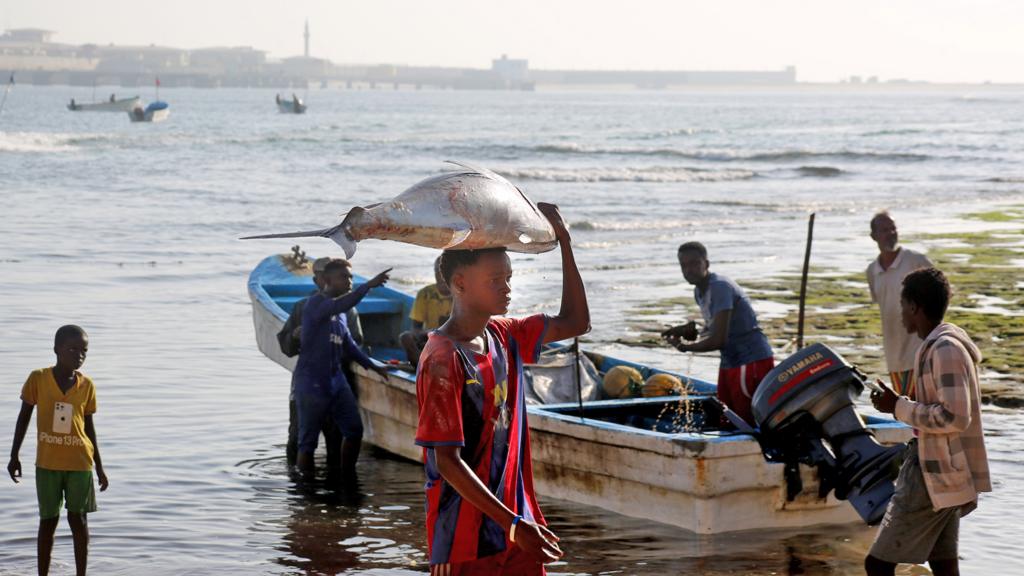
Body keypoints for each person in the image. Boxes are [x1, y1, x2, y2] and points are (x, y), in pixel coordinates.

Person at [415, 203, 588, 576]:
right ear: (459, 283)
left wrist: (565, 244)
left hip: (519, 523)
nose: (507, 288)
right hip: (465, 539)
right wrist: (512, 524)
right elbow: (447, 462)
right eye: (496, 279)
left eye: (508, 278)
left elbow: (576, 322)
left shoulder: (504, 333)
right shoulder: (442, 360)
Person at [867, 268, 991, 576]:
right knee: (943, 566)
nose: (900, 312)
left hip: (934, 475)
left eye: (902, 303)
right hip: (948, 472)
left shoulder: (945, 349)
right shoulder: (941, 344)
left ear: (914, 307)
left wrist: (898, 407)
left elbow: (956, 416)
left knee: (878, 565)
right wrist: (899, 405)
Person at [7, 325, 109, 576]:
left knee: (79, 521)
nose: (79, 356)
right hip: (47, 463)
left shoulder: (87, 386)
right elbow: (23, 418)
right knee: (47, 522)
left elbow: (89, 428)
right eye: (72, 349)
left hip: (79, 463)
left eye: (84, 350)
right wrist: (14, 455)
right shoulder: (38, 379)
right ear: (56, 350)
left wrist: (100, 466)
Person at [294, 260, 391, 477]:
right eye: (344, 277)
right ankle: (305, 493)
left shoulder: (342, 315)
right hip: (311, 383)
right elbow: (340, 304)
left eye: (351, 276)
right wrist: (368, 286)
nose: (350, 281)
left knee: (354, 431)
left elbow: (350, 346)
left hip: (336, 382)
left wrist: (374, 366)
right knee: (307, 443)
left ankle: (346, 477)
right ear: (327, 281)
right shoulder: (315, 304)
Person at [662, 241, 774, 426]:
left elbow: (718, 340)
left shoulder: (720, 287)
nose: (689, 269)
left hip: (749, 360)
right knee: (727, 418)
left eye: (694, 263)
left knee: (746, 421)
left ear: (706, 263)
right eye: (684, 265)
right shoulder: (699, 291)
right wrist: (688, 330)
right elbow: (714, 329)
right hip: (730, 361)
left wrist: (685, 347)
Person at [279, 256, 361, 468]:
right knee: (297, 440)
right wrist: (296, 337)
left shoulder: (348, 310)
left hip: (336, 384)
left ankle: (334, 493)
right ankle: (300, 493)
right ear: (319, 280)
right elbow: (286, 346)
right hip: (307, 387)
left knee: (336, 441)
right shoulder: (302, 307)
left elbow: (356, 345)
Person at [867, 211, 932, 396]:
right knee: (905, 411)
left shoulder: (916, 261)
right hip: (893, 354)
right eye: (885, 230)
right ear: (873, 236)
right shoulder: (872, 271)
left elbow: (943, 294)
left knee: (921, 406)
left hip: (920, 349)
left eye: (893, 228)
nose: (891, 233)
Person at [400, 256, 452, 367]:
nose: (441, 275)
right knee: (406, 337)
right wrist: (428, 333)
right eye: (438, 271)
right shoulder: (425, 293)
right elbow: (415, 328)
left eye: (445, 271)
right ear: (434, 273)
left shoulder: (461, 294)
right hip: (430, 339)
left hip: (453, 341)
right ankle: (422, 367)